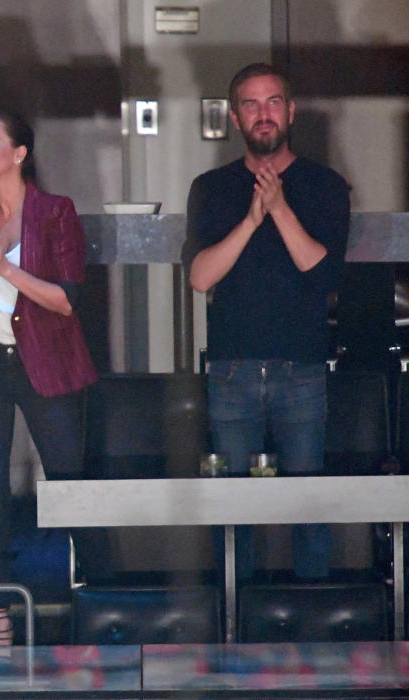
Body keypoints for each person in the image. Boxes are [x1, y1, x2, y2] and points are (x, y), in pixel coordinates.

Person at [184, 63, 350, 581]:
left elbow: (323, 276)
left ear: (291, 111)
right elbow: (200, 277)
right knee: (232, 514)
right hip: (231, 369)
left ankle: (311, 624)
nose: (264, 114)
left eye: (274, 102)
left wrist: (278, 209)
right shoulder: (211, 188)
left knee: (307, 508)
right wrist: (252, 219)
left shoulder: (324, 185)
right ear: (235, 118)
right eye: (252, 105)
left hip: (301, 367)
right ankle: (237, 626)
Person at [0, 110, 98, 645]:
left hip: (46, 360)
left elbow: (65, 300)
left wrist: (9, 270)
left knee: (68, 480)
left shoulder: (55, 212)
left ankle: (96, 595)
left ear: (20, 154)